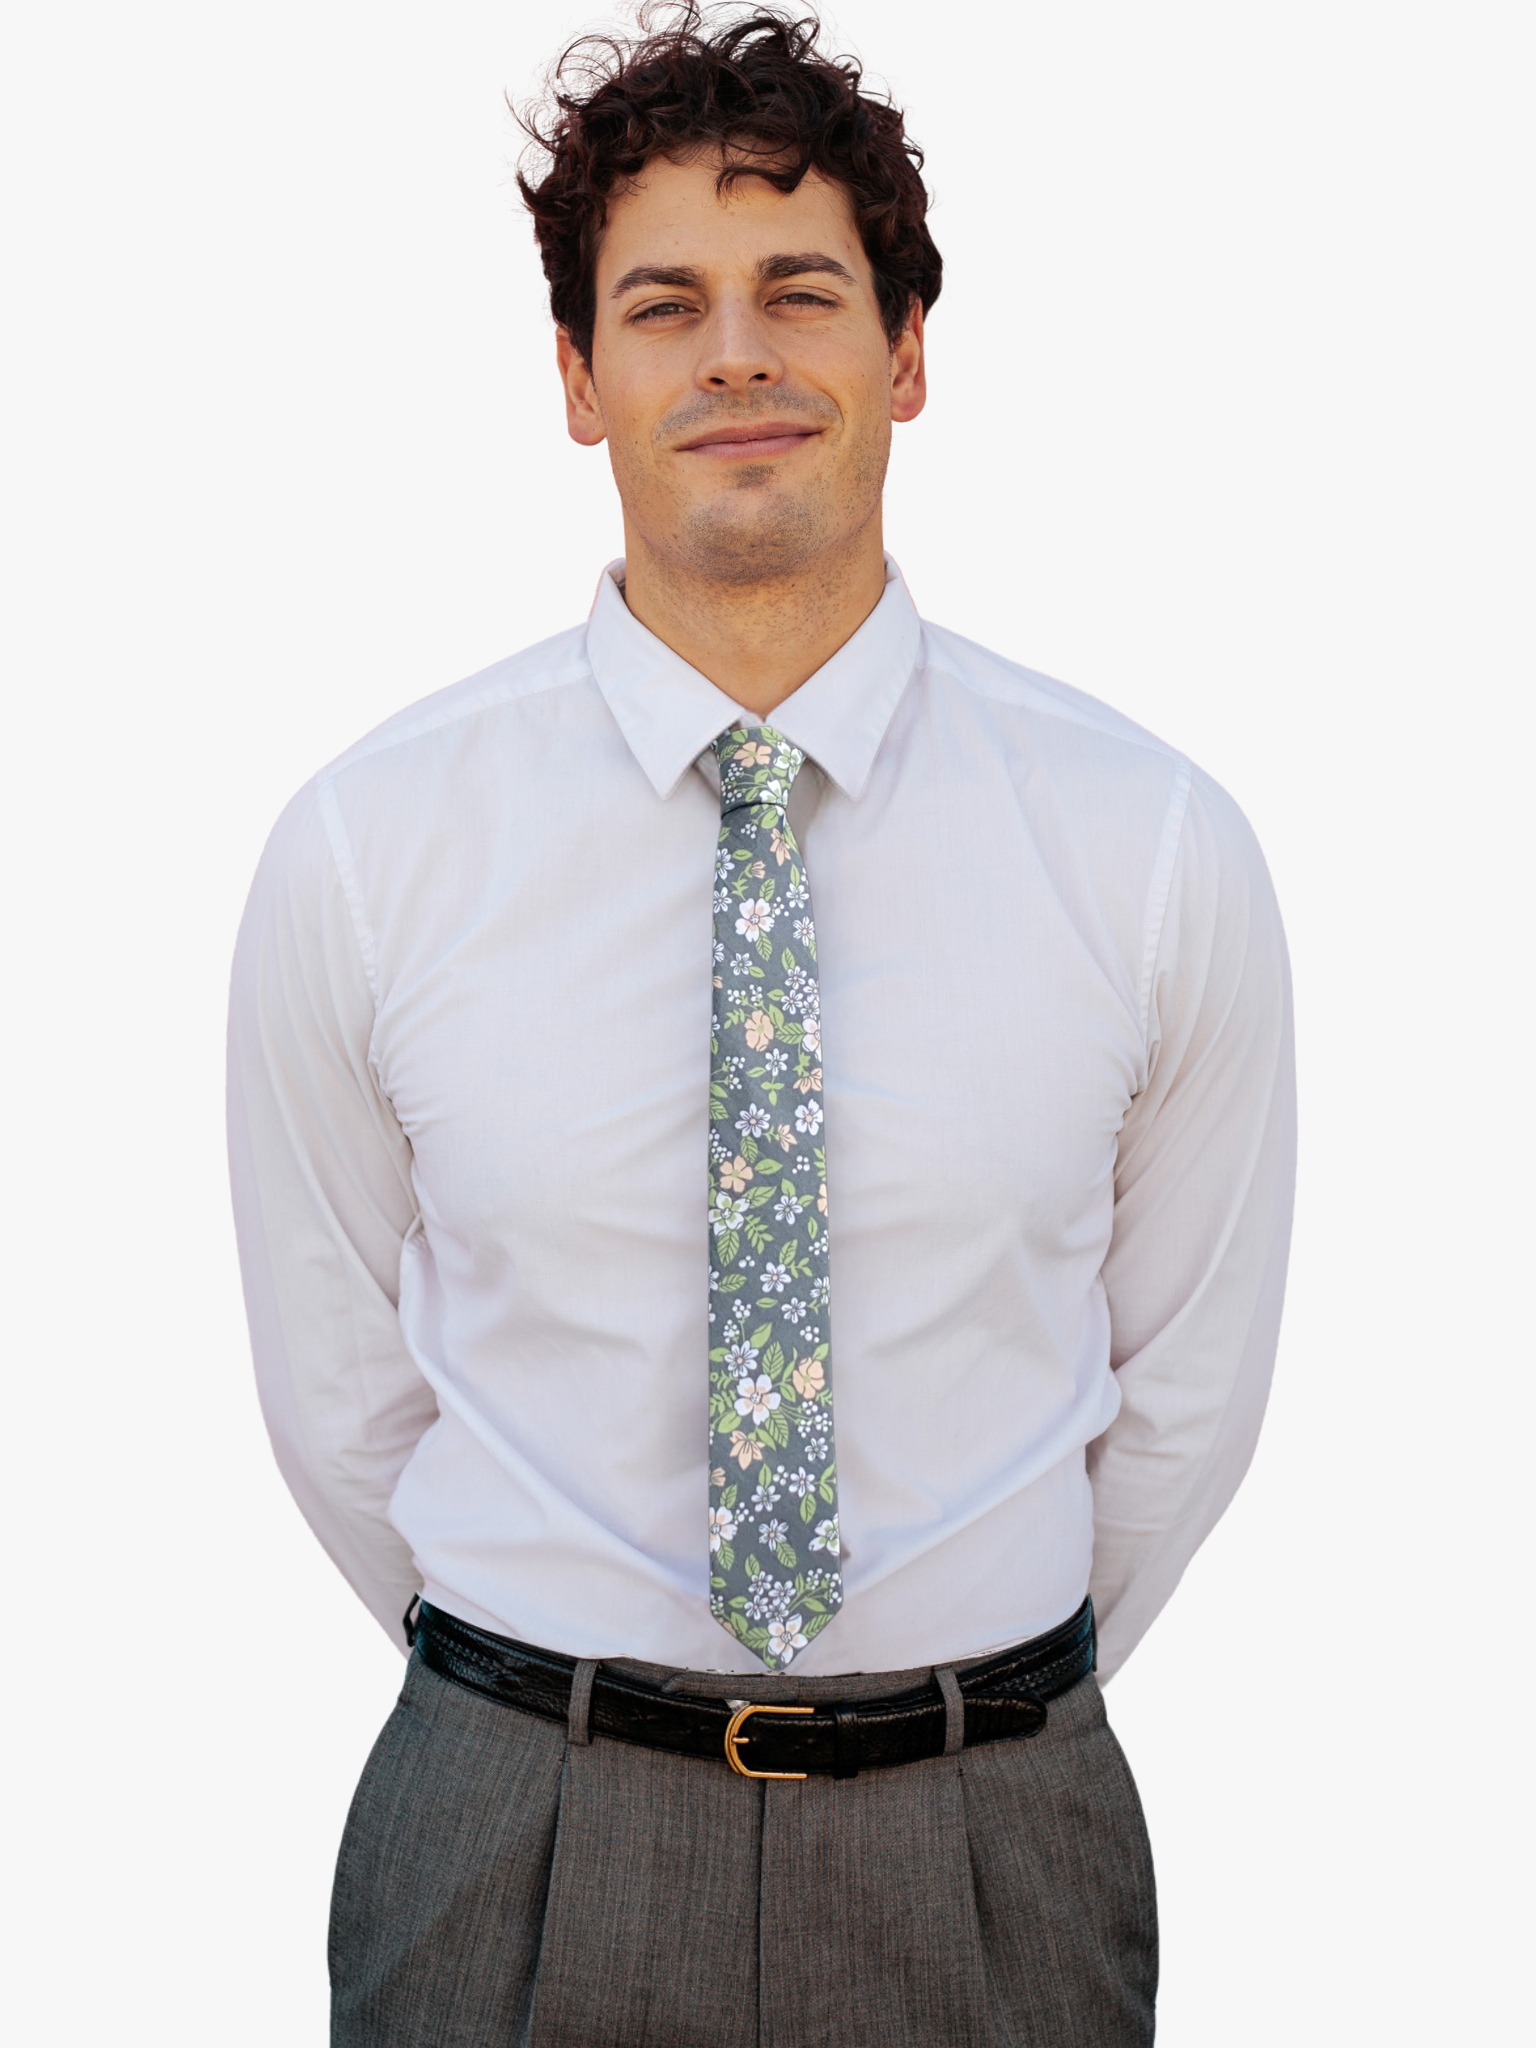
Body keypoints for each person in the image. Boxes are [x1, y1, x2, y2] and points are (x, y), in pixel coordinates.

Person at [227, 8, 1295, 2043]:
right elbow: (338, 1393)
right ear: (576, 377)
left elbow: (1182, 1403)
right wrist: (568, 1707)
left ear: (904, 355)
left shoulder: (1151, 847)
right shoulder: (369, 850)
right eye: (663, 304)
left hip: (994, 1837)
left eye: (801, 290)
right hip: (510, 1835)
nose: (736, 353)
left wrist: (952, 1701)